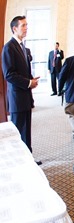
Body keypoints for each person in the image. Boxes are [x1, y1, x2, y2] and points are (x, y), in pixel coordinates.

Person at [2, 16, 41, 165]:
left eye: (27, 25)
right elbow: (9, 74)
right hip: (17, 98)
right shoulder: (9, 47)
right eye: (23, 25)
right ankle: (18, 161)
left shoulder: (22, 46)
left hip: (25, 96)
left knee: (26, 131)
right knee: (18, 131)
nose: (26, 28)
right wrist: (28, 83)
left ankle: (28, 159)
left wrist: (32, 79)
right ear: (14, 28)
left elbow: (22, 71)